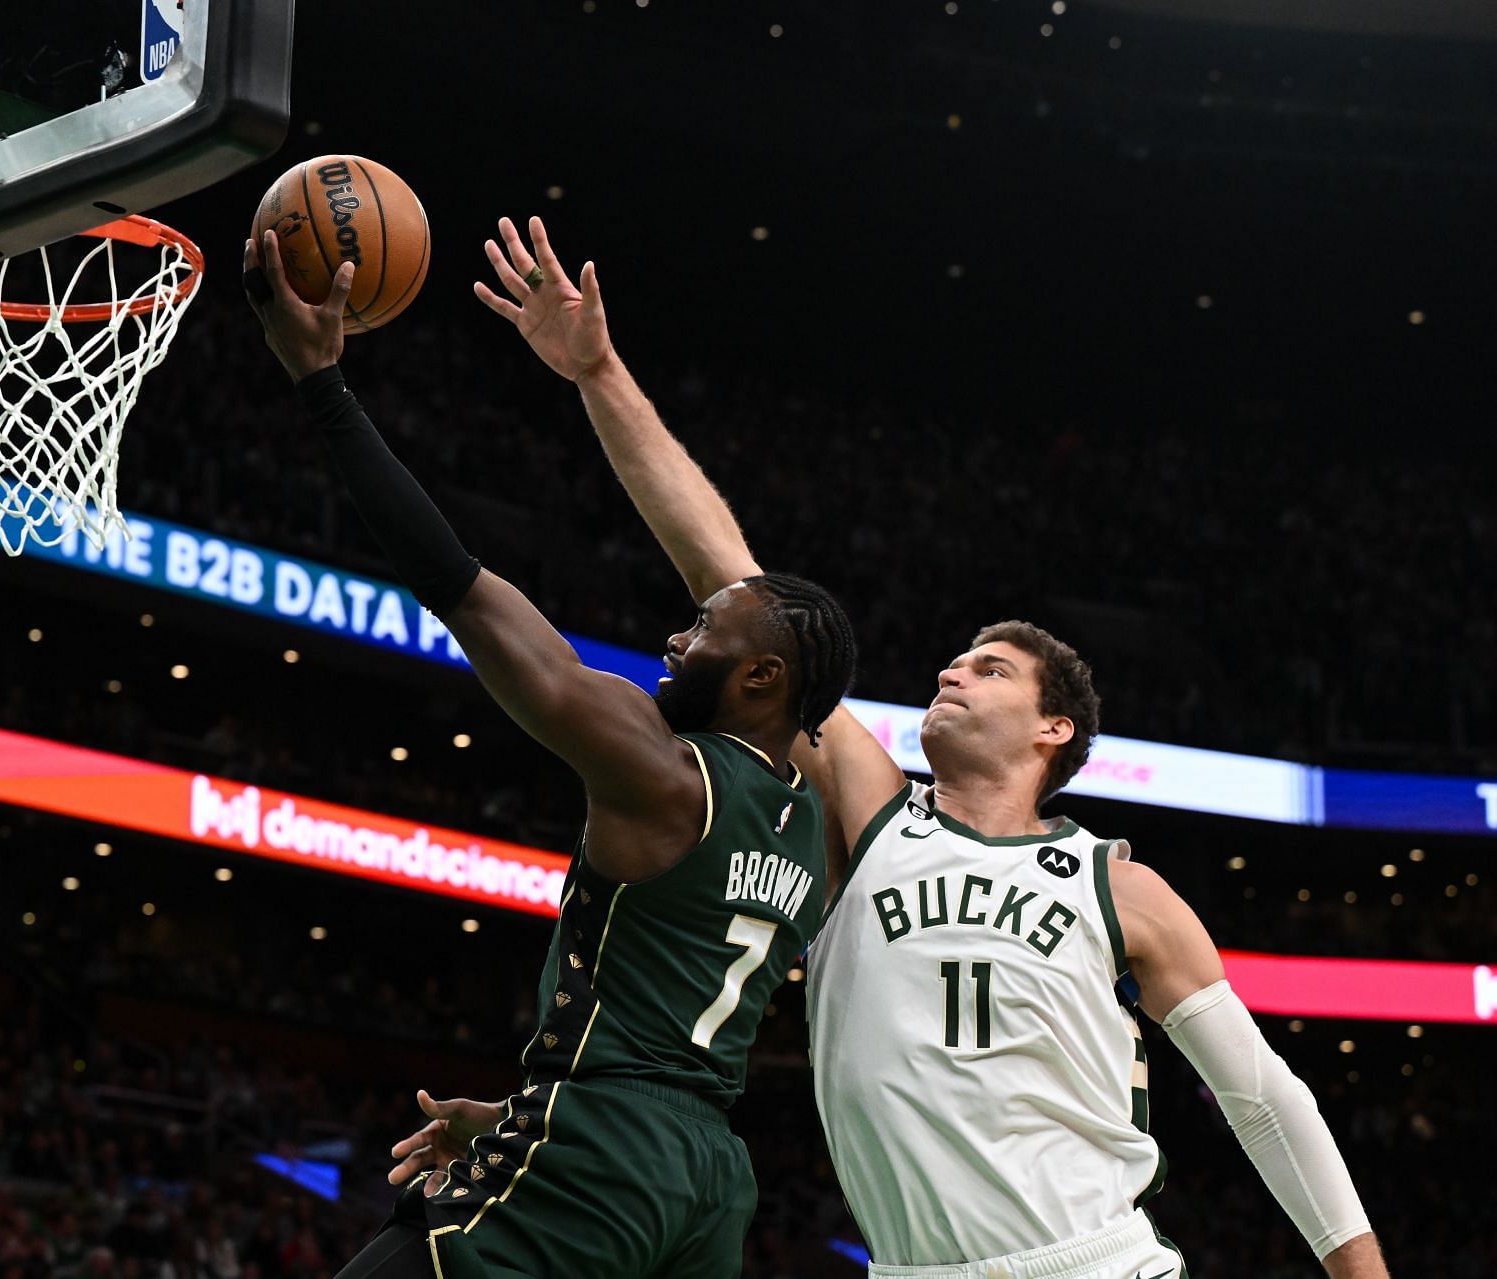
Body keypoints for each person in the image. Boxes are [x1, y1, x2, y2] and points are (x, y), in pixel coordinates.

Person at [442, 215, 1394, 1279]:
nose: (951, 672)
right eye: (954, 659)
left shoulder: (1120, 888)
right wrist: (599, 373)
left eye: (990, 669)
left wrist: (1359, 1271)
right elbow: (725, 568)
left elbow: (1261, 1094)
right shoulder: (873, 814)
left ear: (1055, 727)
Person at [242, 229, 858, 1279]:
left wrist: (322, 386)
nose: (677, 635)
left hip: (603, 1144)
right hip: (710, 1176)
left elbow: (458, 583)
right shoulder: (822, 831)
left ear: (762, 681)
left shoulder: (661, 768)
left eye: (706, 627)